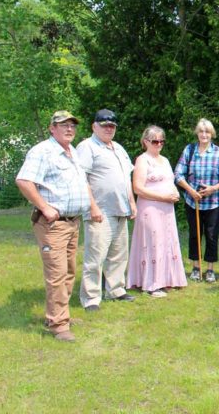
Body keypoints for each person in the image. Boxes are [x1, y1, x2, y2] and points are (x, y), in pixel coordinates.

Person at [16, 110, 99, 342]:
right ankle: (58, 325)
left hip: (72, 223)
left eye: (72, 125)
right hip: (53, 224)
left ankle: (59, 315)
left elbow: (82, 183)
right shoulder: (43, 151)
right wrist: (45, 207)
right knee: (57, 273)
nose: (69, 129)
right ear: (52, 128)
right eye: (63, 125)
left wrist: (92, 206)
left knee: (69, 272)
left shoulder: (71, 151)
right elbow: (23, 180)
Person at [76, 109, 137, 311]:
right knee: (95, 257)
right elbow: (81, 178)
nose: (109, 129)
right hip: (100, 211)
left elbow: (126, 179)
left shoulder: (118, 148)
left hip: (121, 209)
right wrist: (92, 206)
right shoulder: (87, 147)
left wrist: (132, 203)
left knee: (119, 255)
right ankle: (91, 298)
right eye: (104, 125)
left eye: (112, 126)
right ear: (94, 126)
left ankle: (116, 290)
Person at [127, 126, 187, 297]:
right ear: (146, 141)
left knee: (167, 241)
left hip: (167, 209)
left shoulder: (165, 160)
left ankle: (167, 278)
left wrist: (174, 193)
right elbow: (138, 188)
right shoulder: (142, 160)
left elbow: (169, 181)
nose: (159, 144)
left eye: (162, 141)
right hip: (150, 208)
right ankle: (152, 283)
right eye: (155, 141)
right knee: (153, 242)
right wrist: (162, 197)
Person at [174, 118, 219, 283]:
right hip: (193, 201)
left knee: (211, 235)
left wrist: (213, 188)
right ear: (197, 133)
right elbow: (178, 174)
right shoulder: (189, 150)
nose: (204, 134)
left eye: (207, 131)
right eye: (201, 131)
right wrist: (190, 191)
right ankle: (196, 268)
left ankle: (210, 270)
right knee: (195, 235)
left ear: (212, 134)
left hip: (214, 202)